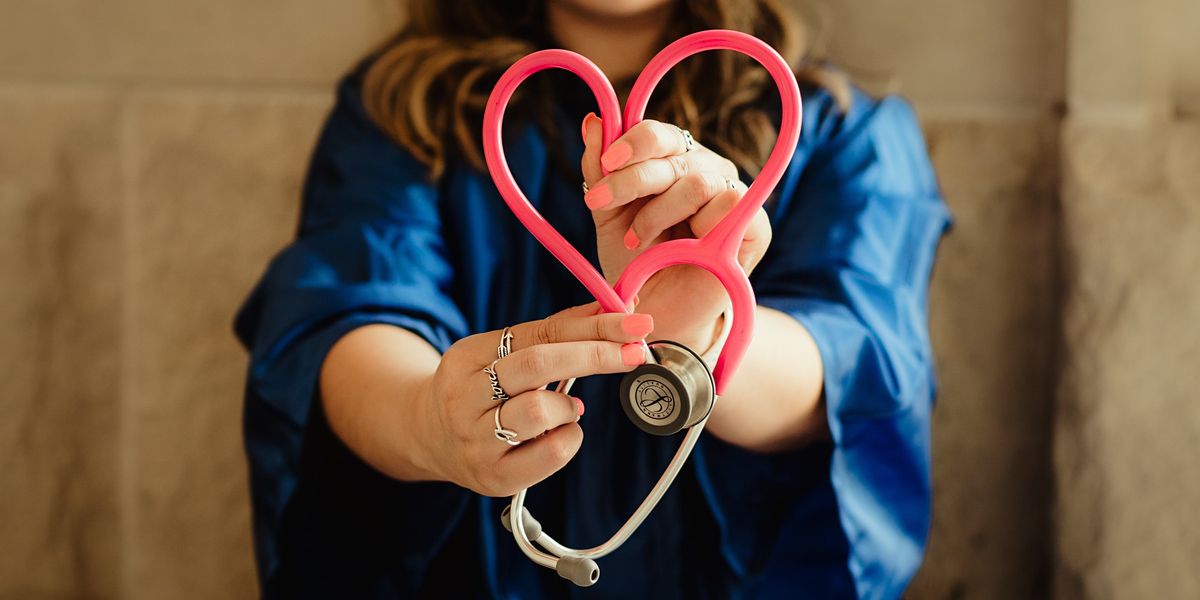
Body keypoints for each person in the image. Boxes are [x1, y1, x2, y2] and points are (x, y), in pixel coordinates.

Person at [235, 0, 950, 597]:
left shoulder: (844, 132)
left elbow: (856, 361)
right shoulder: (400, 114)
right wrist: (427, 421)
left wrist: (697, 337)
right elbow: (343, 313)